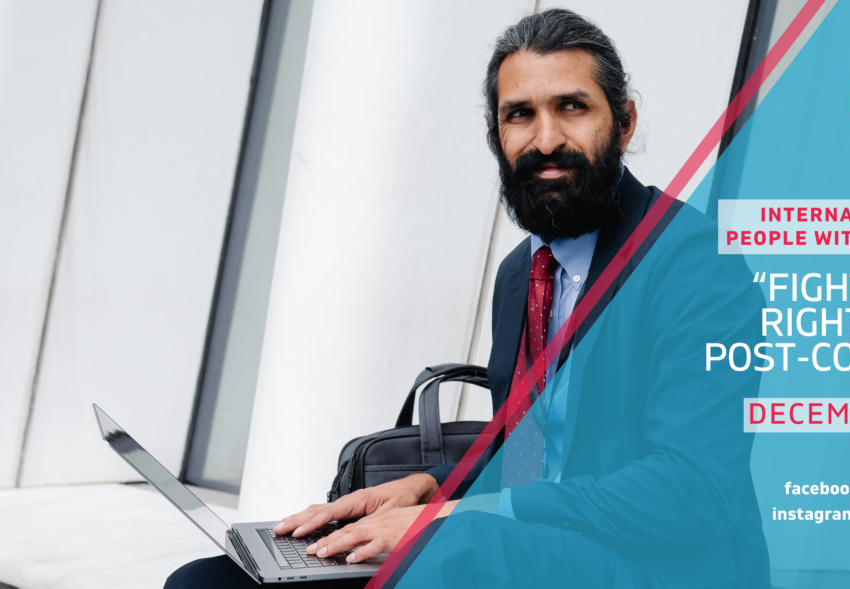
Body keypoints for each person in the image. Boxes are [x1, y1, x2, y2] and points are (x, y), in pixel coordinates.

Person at [167, 9, 769, 589]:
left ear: (626, 122)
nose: (547, 138)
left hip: (661, 566)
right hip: (535, 550)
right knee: (207, 579)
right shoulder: (521, 276)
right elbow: (528, 451)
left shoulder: (695, 265)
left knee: (452, 553)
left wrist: (451, 520)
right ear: (495, 135)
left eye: (572, 108)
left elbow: (693, 493)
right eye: (520, 115)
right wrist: (425, 488)